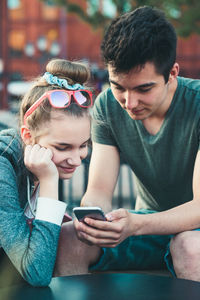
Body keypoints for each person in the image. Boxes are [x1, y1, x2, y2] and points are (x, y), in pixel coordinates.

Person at [68, 6, 200, 282]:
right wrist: (93, 220)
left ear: (172, 73)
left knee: (189, 247)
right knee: (71, 238)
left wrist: (136, 223)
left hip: (191, 230)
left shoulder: (197, 104)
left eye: (143, 89)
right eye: (119, 86)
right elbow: (98, 191)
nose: (129, 103)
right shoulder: (107, 106)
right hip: (149, 225)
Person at [0, 58, 93, 286]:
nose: (75, 159)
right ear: (27, 136)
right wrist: (50, 182)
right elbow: (37, 272)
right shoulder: (5, 167)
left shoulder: (36, 157)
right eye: (63, 147)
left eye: (83, 145)